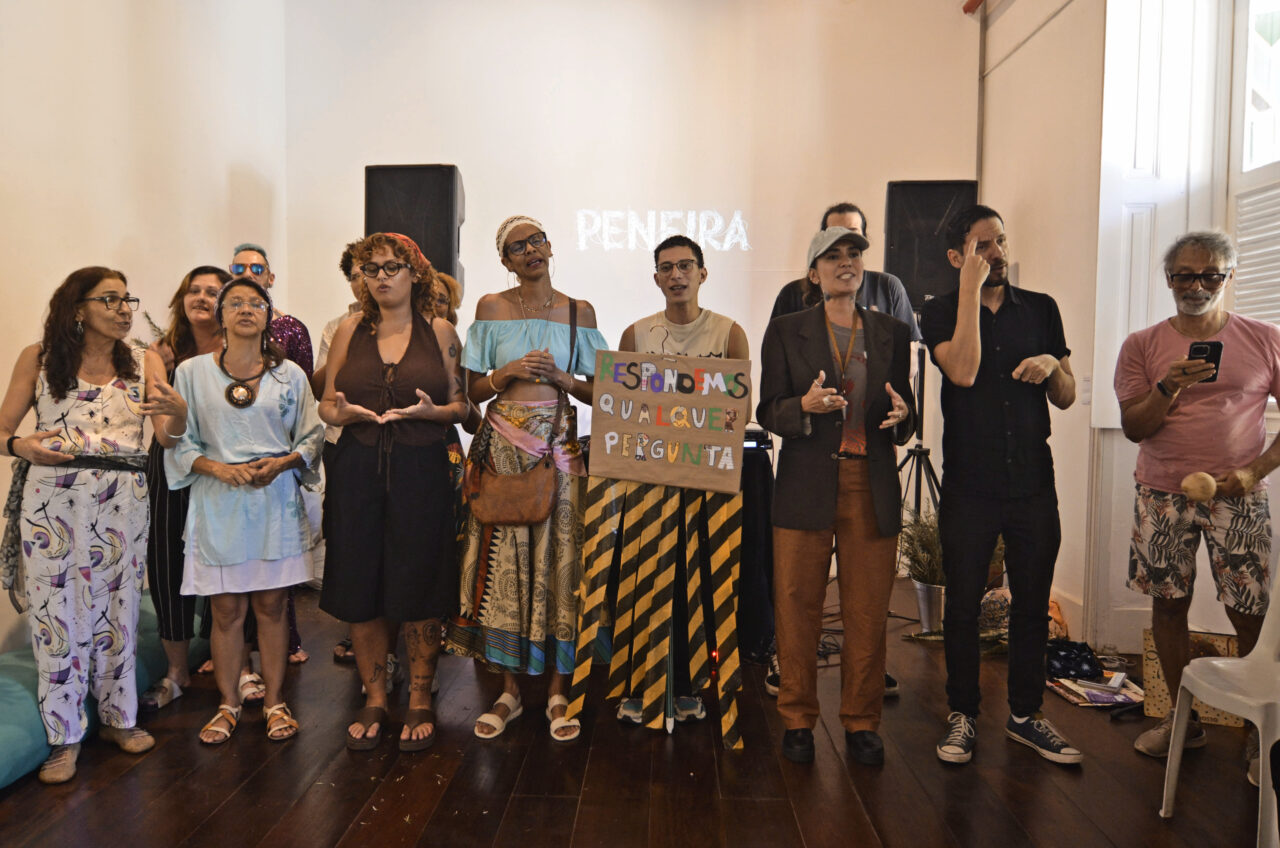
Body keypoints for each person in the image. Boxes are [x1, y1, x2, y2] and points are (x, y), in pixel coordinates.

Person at [0, 267, 182, 783]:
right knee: (56, 615)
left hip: (123, 499)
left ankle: (120, 719)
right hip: (52, 500)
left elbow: (167, 439)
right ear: (77, 308)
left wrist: (180, 413)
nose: (124, 310)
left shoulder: (144, 360)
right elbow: (3, 429)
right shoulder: (39, 359)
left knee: (119, 609)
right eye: (110, 300)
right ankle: (64, 739)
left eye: (128, 300)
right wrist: (21, 446)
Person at [919, 204, 1080, 765]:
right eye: (983, 245)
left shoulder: (1041, 309)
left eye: (1001, 242)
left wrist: (1052, 365)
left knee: (1032, 603)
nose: (998, 254)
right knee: (963, 604)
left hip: (1033, 480)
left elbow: (1067, 396)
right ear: (957, 256)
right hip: (971, 483)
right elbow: (963, 371)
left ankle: (1026, 716)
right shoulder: (940, 311)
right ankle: (963, 714)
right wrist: (969, 291)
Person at [1115, 231, 1276, 786]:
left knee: (1250, 612)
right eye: (1185, 274)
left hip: (1241, 496)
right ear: (1169, 279)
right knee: (1167, 606)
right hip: (1161, 494)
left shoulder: (1265, 339)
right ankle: (1183, 722)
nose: (1197, 285)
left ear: (1229, 278)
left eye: (1211, 274)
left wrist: (1253, 472)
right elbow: (1134, 427)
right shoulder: (1141, 345)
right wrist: (1167, 386)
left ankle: (1260, 731)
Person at [445, 215, 606, 741]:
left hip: (558, 451)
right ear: (505, 260)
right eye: (518, 246)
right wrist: (506, 373)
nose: (530, 250)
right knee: (503, 567)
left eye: (537, 240)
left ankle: (559, 690)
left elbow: (603, 392)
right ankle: (509, 690)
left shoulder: (580, 312)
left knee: (561, 562)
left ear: (550, 246)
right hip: (500, 451)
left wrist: (562, 378)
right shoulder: (491, 307)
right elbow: (470, 390)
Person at [757, 227, 914, 765]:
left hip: (871, 484)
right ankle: (798, 718)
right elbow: (768, 410)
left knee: (867, 610)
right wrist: (802, 406)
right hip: (805, 483)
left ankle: (862, 721)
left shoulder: (892, 331)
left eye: (854, 254)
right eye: (833, 257)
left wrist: (903, 415)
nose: (846, 263)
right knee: (796, 604)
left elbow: (904, 409)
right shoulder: (786, 330)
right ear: (814, 273)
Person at [319, 232, 467, 752]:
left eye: (391, 267)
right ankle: (376, 696)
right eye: (371, 269)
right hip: (357, 467)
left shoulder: (440, 331)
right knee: (362, 582)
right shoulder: (349, 329)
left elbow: (462, 407)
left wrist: (433, 412)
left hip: (421, 468)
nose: (380, 277)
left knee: (420, 579)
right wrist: (341, 412)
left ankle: (421, 696)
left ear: (414, 273)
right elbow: (327, 403)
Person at [166, 277, 323, 745]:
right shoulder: (192, 373)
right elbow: (180, 442)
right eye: (234, 302)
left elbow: (311, 436)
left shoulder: (290, 376)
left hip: (274, 500)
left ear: (269, 315)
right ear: (221, 315)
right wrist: (216, 467)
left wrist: (284, 462)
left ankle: (275, 701)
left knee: (272, 606)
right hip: (218, 501)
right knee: (226, 609)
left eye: (256, 302)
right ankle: (228, 702)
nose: (246, 309)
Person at [612, 234, 750, 726]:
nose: (676, 275)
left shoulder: (729, 333)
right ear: (656, 278)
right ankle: (639, 684)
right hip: (649, 480)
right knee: (646, 582)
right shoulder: (636, 334)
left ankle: (688, 684)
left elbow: (739, 410)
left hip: (706, 481)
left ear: (702, 273)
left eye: (685, 266)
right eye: (667, 268)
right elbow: (624, 410)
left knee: (698, 584)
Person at [140, 265, 232, 711]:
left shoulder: (241, 349)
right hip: (171, 462)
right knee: (166, 560)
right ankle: (177, 671)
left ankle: (235, 663)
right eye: (193, 290)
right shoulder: (161, 352)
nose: (201, 297)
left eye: (212, 292)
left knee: (230, 557)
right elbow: (164, 433)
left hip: (226, 462)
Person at [229, 241, 312, 667]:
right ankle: (235, 655)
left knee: (277, 566)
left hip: (278, 461)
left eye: (257, 267)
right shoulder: (223, 332)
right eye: (239, 267)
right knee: (229, 570)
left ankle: (286, 641)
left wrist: (291, 459)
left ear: (271, 277)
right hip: (225, 468)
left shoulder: (291, 329)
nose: (248, 272)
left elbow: (304, 394)